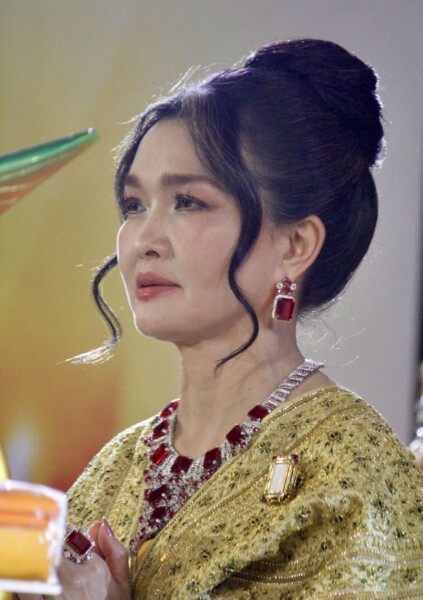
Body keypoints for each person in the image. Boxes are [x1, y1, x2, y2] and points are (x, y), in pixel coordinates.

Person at [19, 38, 423, 599]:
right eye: (134, 205)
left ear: (296, 245)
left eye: (189, 201)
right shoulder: (116, 466)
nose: (143, 240)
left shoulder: (355, 473)